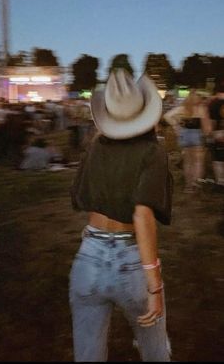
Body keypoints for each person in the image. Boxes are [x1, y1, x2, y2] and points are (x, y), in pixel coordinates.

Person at [69, 69, 173, 362]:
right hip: (131, 260)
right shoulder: (153, 151)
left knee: (88, 355)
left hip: (88, 255)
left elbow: (81, 198)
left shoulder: (94, 150)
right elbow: (142, 215)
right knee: (155, 351)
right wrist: (155, 284)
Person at [163, 89, 211, 193]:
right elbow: (206, 126)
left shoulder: (182, 108)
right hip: (196, 134)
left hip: (184, 135)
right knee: (198, 162)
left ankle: (188, 186)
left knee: (187, 162)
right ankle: (196, 184)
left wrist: (176, 126)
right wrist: (207, 134)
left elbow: (167, 116)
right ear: (197, 98)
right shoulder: (201, 108)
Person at [207, 78, 224, 187]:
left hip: (217, 132)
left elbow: (210, 121)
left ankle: (220, 181)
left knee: (217, 158)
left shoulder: (212, 103)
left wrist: (211, 134)